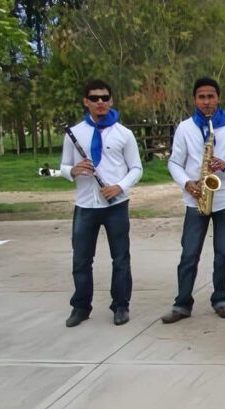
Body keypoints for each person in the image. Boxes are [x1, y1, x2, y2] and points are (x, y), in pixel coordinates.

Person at [161, 77, 225, 323]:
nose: (206, 102)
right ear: (195, 100)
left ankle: (221, 299)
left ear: (218, 98)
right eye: (201, 97)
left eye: (210, 97)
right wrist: (187, 183)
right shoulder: (186, 128)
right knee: (189, 253)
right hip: (195, 197)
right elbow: (174, 162)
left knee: (223, 253)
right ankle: (182, 304)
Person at [61, 79, 142, 328]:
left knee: (120, 259)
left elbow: (137, 168)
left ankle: (120, 305)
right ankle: (81, 307)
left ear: (111, 101)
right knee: (82, 260)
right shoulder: (74, 133)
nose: (100, 102)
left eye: (105, 98)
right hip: (86, 204)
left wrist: (119, 186)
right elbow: (64, 166)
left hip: (115, 204)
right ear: (86, 102)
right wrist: (73, 171)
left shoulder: (124, 134)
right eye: (94, 98)